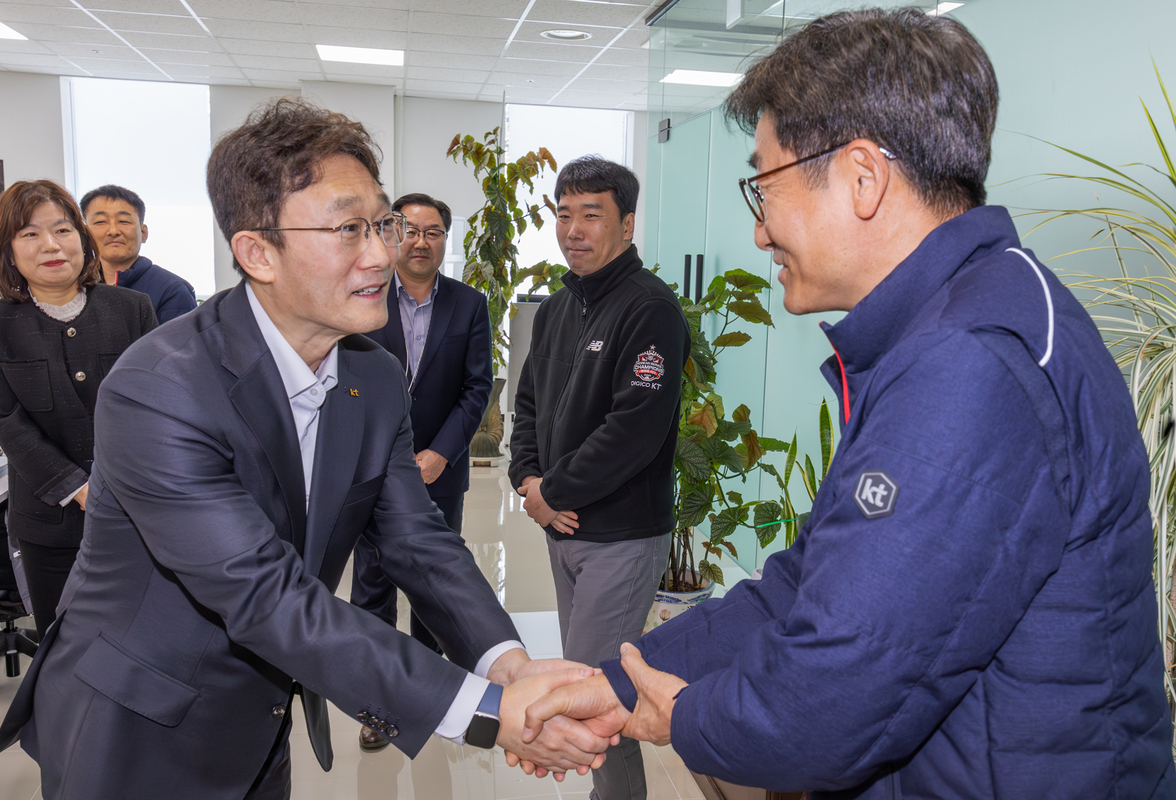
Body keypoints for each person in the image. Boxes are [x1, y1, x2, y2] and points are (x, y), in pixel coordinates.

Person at [518, 9, 1176, 800]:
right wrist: (620, 682)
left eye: (764, 187)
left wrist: (684, 716)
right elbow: (805, 585)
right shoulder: (963, 318)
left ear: (864, 177)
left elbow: (828, 694)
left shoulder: (970, 363)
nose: (759, 233)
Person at [0, 98, 612, 799]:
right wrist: (486, 712)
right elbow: (265, 594)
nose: (381, 253)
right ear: (257, 252)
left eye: (380, 224)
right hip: (137, 728)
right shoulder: (159, 387)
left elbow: (417, 538)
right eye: (348, 229)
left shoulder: (374, 375)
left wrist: (509, 666)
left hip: (260, 721)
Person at [508, 156, 691, 800]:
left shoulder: (650, 308)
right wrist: (527, 479)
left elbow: (633, 430)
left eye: (592, 215)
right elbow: (528, 404)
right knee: (591, 682)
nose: (573, 230)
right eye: (564, 215)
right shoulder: (558, 308)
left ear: (627, 224)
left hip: (620, 536)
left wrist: (552, 493)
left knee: (594, 693)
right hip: (564, 530)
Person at [0, 180, 157, 636]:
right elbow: (6, 421)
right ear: (8, 250)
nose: (51, 245)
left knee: (143, 640)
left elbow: (157, 407)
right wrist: (80, 489)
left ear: (81, 237)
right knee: (65, 643)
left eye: (62, 230)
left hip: (137, 513)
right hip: (49, 526)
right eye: (30, 234)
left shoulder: (132, 309)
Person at [350, 191, 494, 751]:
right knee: (373, 586)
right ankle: (378, 704)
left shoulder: (469, 304)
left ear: (444, 240)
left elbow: (476, 387)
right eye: (408, 229)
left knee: (433, 583)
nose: (420, 241)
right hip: (371, 469)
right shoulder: (362, 292)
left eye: (433, 232)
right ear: (390, 233)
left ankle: (426, 696)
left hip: (440, 471)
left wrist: (440, 453)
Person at [80, 184, 198, 324]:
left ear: (143, 233)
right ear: (84, 234)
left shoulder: (172, 291)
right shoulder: (76, 288)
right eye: (100, 222)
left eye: (123, 221)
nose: (113, 231)